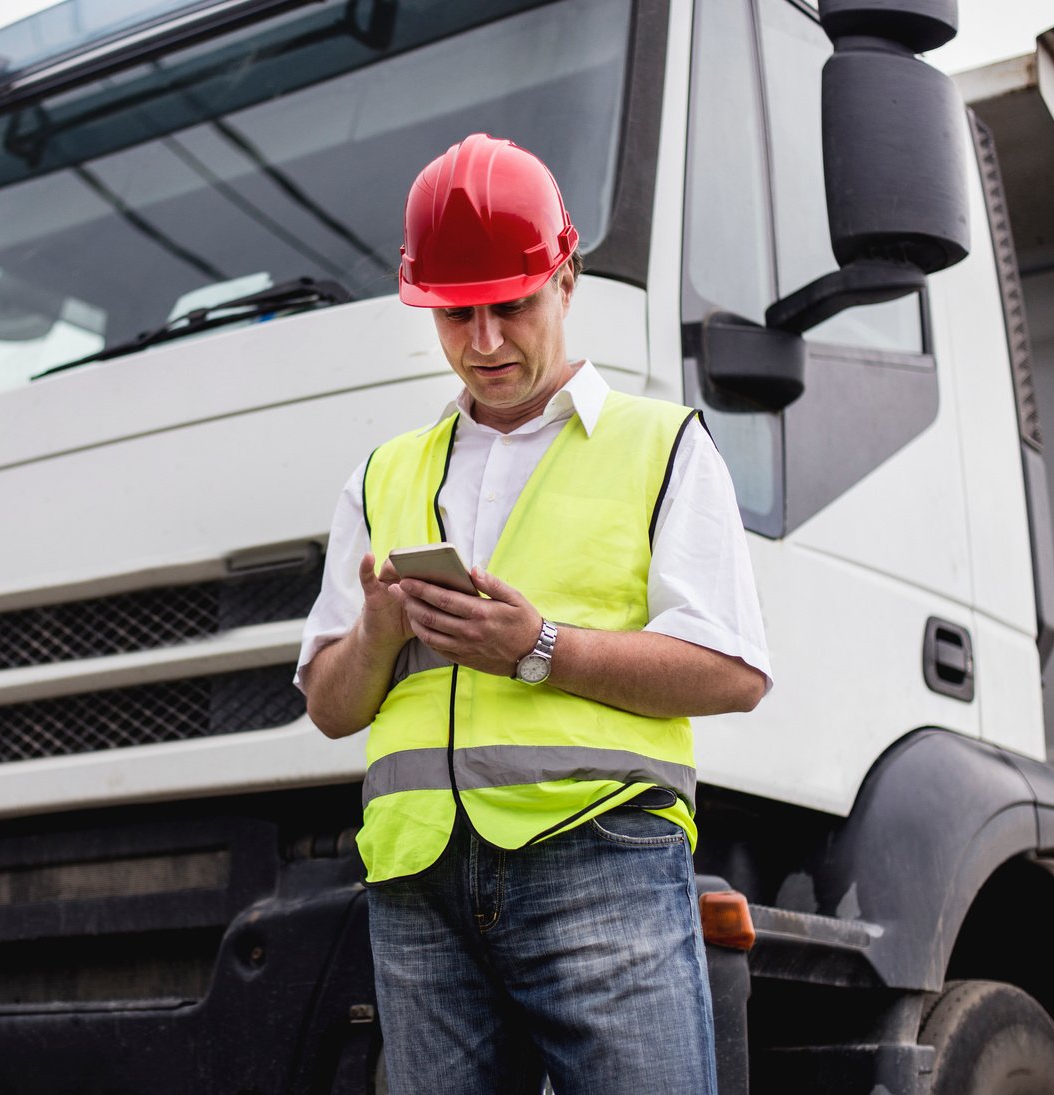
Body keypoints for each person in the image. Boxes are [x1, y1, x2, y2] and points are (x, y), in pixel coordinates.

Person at [296, 133, 772, 1094]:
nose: (483, 344)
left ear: (566, 275)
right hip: (416, 884)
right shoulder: (383, 475)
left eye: (509, 307)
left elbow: (734, 672)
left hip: (598, 855)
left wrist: (539, 649)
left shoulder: (663, 446)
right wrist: (379, 634)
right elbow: (330, 706)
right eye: (456, 315)